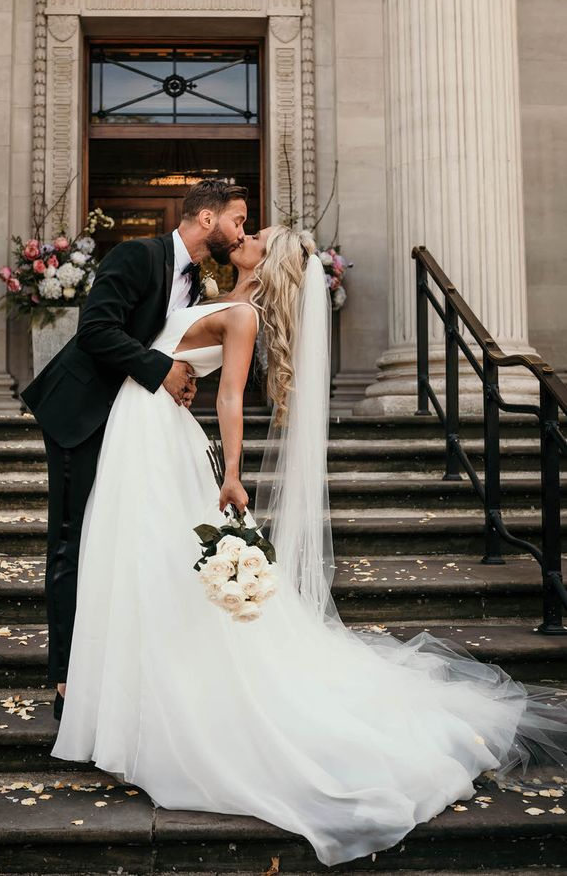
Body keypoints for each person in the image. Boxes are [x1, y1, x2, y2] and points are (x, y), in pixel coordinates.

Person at [51, 225, 567, 869]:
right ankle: (124, 702)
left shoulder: (242, 313)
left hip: (158, 433)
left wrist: (233, 471)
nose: (244, 233)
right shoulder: (211, 289)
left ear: (267, 264)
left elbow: (233, 395)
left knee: (151, 564)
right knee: (138, 564)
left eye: (255, 234)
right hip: (146, 419)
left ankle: (147, 708)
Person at [19, 179, 248, 719]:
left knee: (116, 541)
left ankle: (116, 670)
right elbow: (97, 330)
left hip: (134, 423)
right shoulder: (137, 255)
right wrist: (162, 370)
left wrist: (178, 378)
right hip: (82, 413)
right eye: (237, 220)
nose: (241, 231)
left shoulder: (197, 282)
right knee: (73, 541)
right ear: (208, 219)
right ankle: (67, 681)